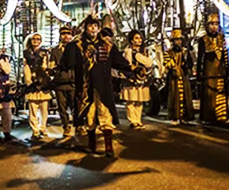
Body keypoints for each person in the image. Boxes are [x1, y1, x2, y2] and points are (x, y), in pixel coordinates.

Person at [61, 16, 130, 157]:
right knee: (90, 116)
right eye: (90, 26)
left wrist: (132, 68)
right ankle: (91, 144)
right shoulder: (77, 45)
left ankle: (108, 147)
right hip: (86, 87)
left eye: (95, 26)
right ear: (86, 28)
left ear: (99, 28)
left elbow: (119, 62)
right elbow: (66, 62)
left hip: (103, 87)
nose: (93, 28)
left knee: (105, 115)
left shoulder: (107, 46)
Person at [197, 14, 229, 124]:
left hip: (219, 70)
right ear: (207, 26)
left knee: (221, 93)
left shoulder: (221, 38)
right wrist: (199, 72)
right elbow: (200, 57)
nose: (214, 27)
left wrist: (227, 70)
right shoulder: (203, 40)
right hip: (209, 70)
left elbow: (225, 55)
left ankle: (221, 116)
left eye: (216, 24)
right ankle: (208, 117)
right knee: (209, 94)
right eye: (212, 24)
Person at [120, 30, 154, 130]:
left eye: (140, 38)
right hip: (131, 78)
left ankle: (138, 119)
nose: (139, 40)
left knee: (140, 100)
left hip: (142, 78)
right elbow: (127, 65)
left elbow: (149, 63)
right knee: (131, 100)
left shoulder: (144, 51)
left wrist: (140, 58)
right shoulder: (128, 51)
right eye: (136, 38)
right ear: (131, 40)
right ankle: (132, 120)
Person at [23, 33, 52, 140]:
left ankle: (43, 128)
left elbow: (48, 67)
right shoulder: (26, 53)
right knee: (33, 109)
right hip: (32, 83)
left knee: (44, 108)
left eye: (38, 39)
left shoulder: (45, 52)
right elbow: (25, 67)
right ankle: (35, 129)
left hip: (43, 82)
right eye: (34, 39)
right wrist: (29, 80)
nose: (36, 41)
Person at [163, 29, 195, 125]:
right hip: (174, 77)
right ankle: (175, 116)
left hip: (183, 75)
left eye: (180, 40)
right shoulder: (168, 52)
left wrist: (187, 63)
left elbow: (190, 63)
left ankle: (184, 116)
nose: (178, 42)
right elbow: (167, 63)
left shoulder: (185, 51)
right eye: (176, 40)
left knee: (186, 95)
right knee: (174, 96)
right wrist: (173, 67)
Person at [50, 26, 75, 138]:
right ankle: (65, 126)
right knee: (62, 106)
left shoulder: (76, 49)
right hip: (60, 82)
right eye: (63, 34)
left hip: (73, 81)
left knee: (75, 105)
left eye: (68, 34)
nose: (66, 36)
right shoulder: (55, 51)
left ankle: (78, 125)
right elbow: (51, 65)